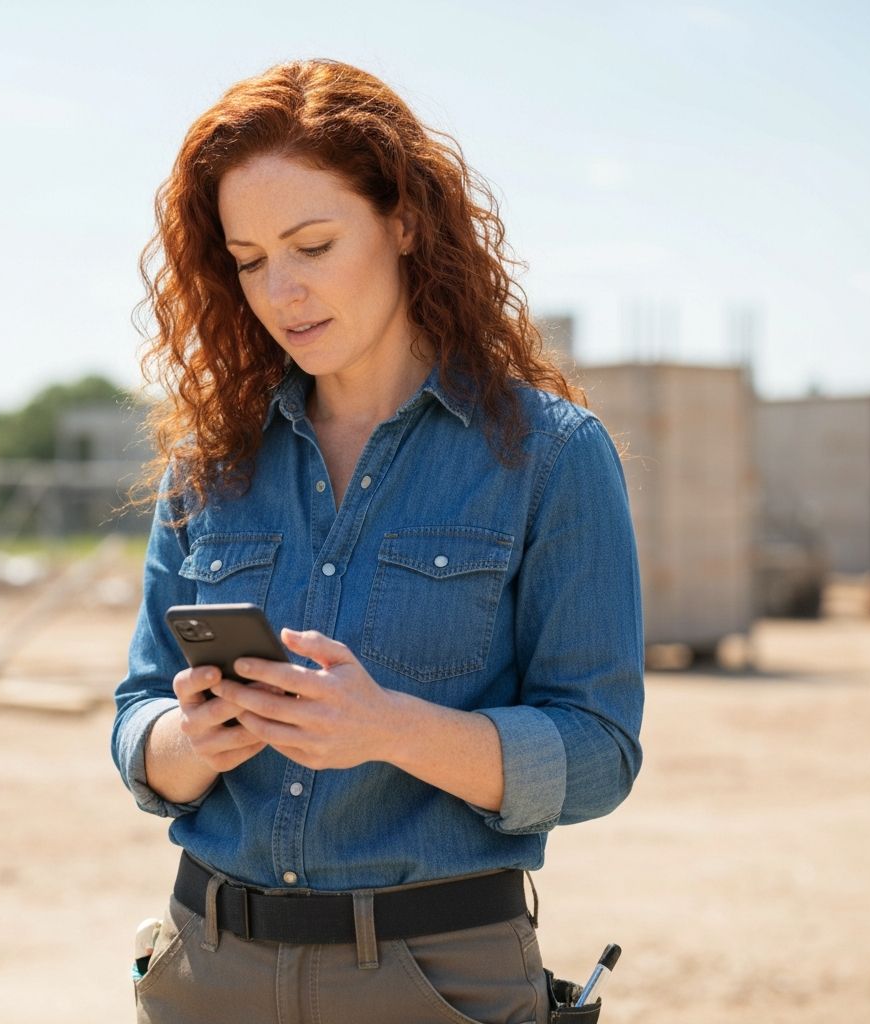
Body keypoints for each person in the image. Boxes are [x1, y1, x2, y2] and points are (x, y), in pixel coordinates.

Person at [112, 57, 643, 1024]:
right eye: (249, 259)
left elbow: (602, 752)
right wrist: (190, 740)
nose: (282, 291)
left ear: (403, 220)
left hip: (433, 983)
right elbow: (137, 720)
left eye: (313, 244)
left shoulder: (551, 457)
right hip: (205, 973)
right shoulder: (209, 466)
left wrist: (389, 728)